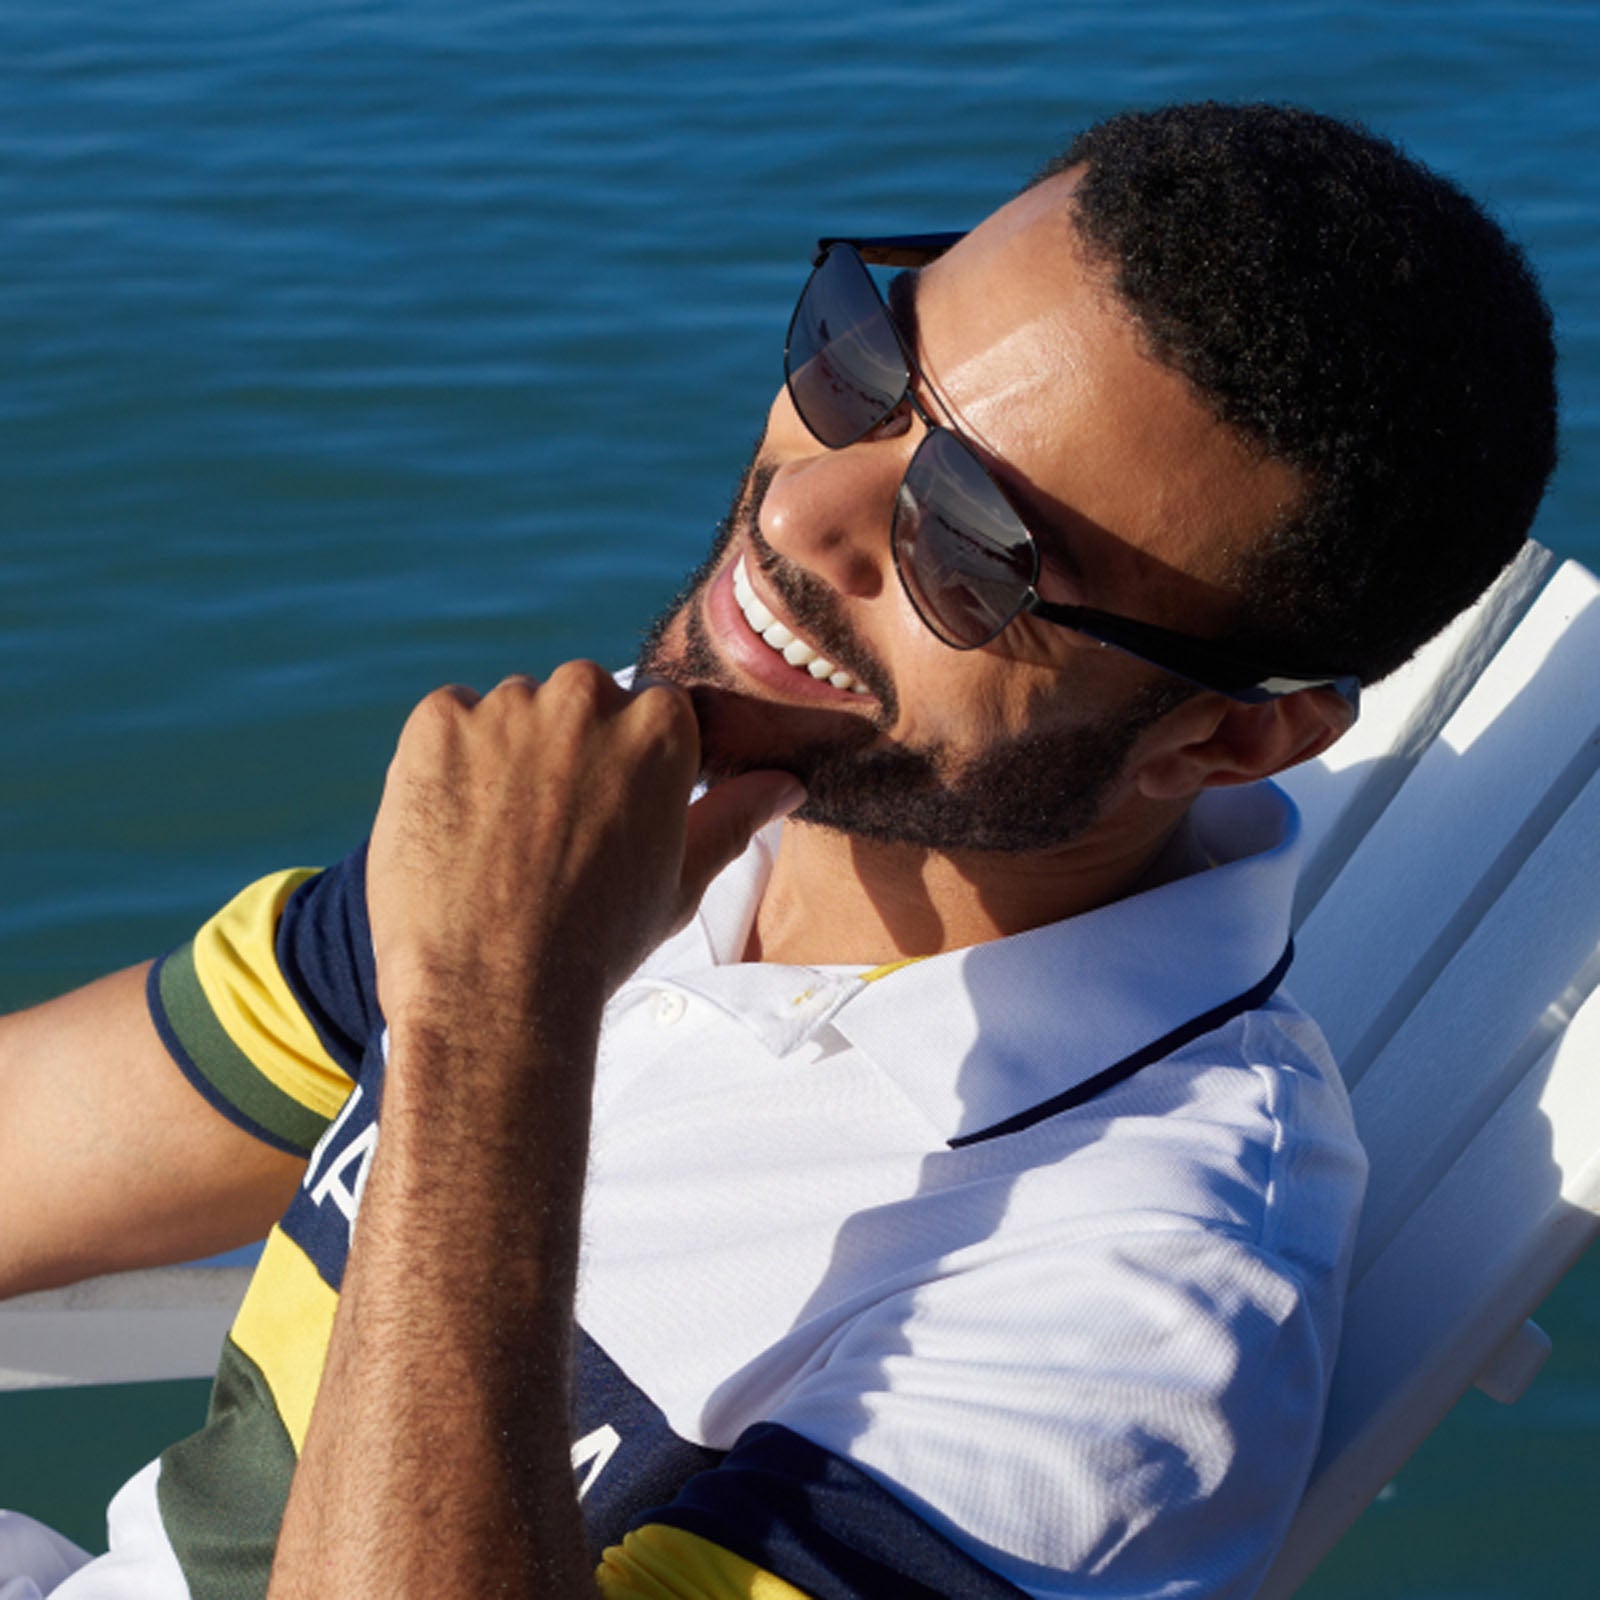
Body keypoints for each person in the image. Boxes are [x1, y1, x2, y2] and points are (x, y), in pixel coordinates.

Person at [0, 101, 1558, 1600]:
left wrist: (492, 1029)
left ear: (1221, 740)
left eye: (973, 546)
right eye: (866, 357)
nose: (802, 507)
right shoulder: (614, 809)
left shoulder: (1133, 1311)